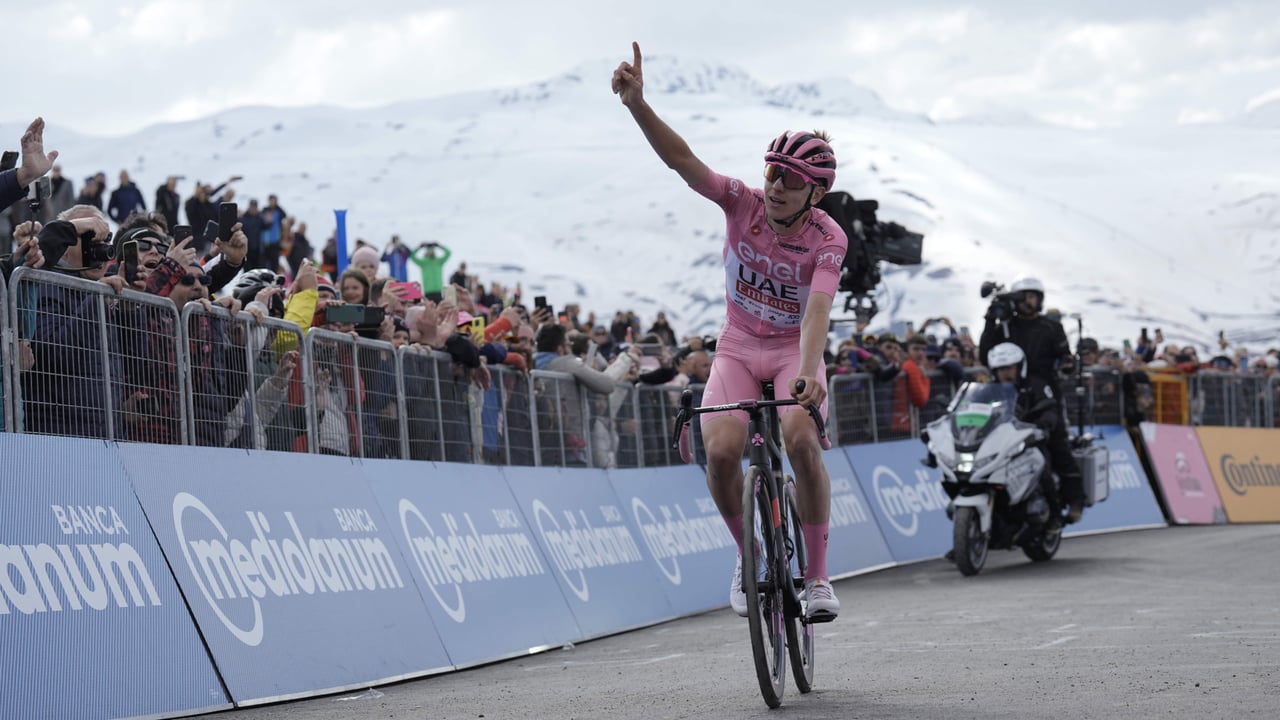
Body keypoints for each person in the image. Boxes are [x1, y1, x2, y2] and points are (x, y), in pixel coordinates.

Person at [613, 42, 847, 621]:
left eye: (790, 181)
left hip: (795, 346)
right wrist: (638, 105)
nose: (775, 187)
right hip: (739, 343)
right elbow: (682, 162)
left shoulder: (828, 238)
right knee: (720, 453)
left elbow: (817, 310)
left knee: (800, 441)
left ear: (815, 193)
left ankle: (817, 578)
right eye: (772, 172)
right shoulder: (740, 202)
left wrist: (811, 374)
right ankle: (751, 561)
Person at [978, 276, 1085, 523]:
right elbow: (985, 354)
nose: (1029, 301)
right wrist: (989, 319)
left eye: (1033, 296)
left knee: (1056, 443)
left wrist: (1067, 364)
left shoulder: (1050, 327)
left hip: (1044, 392)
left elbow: (1064, 356)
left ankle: (1074, 499)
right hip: (1009, 392)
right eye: (1025, 296)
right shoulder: (1005, 326)